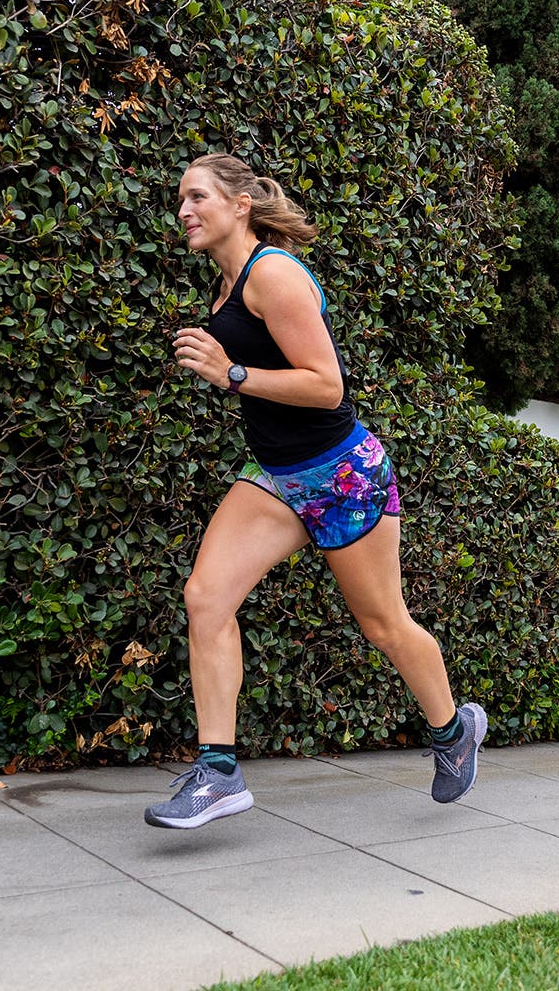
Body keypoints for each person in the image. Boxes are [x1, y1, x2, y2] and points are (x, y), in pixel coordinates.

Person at [144, 153, 487, 829]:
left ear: (240, 203)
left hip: (342, 473)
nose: (183, 210)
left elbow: (326, 385)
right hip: (277, 476)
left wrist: (232, 374)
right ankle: (218, 772)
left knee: (384, 624)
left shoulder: (273, 275)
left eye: (197, 196)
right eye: (179, 200)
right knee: (206, 596)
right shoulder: (226, 285)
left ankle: (453, 731)